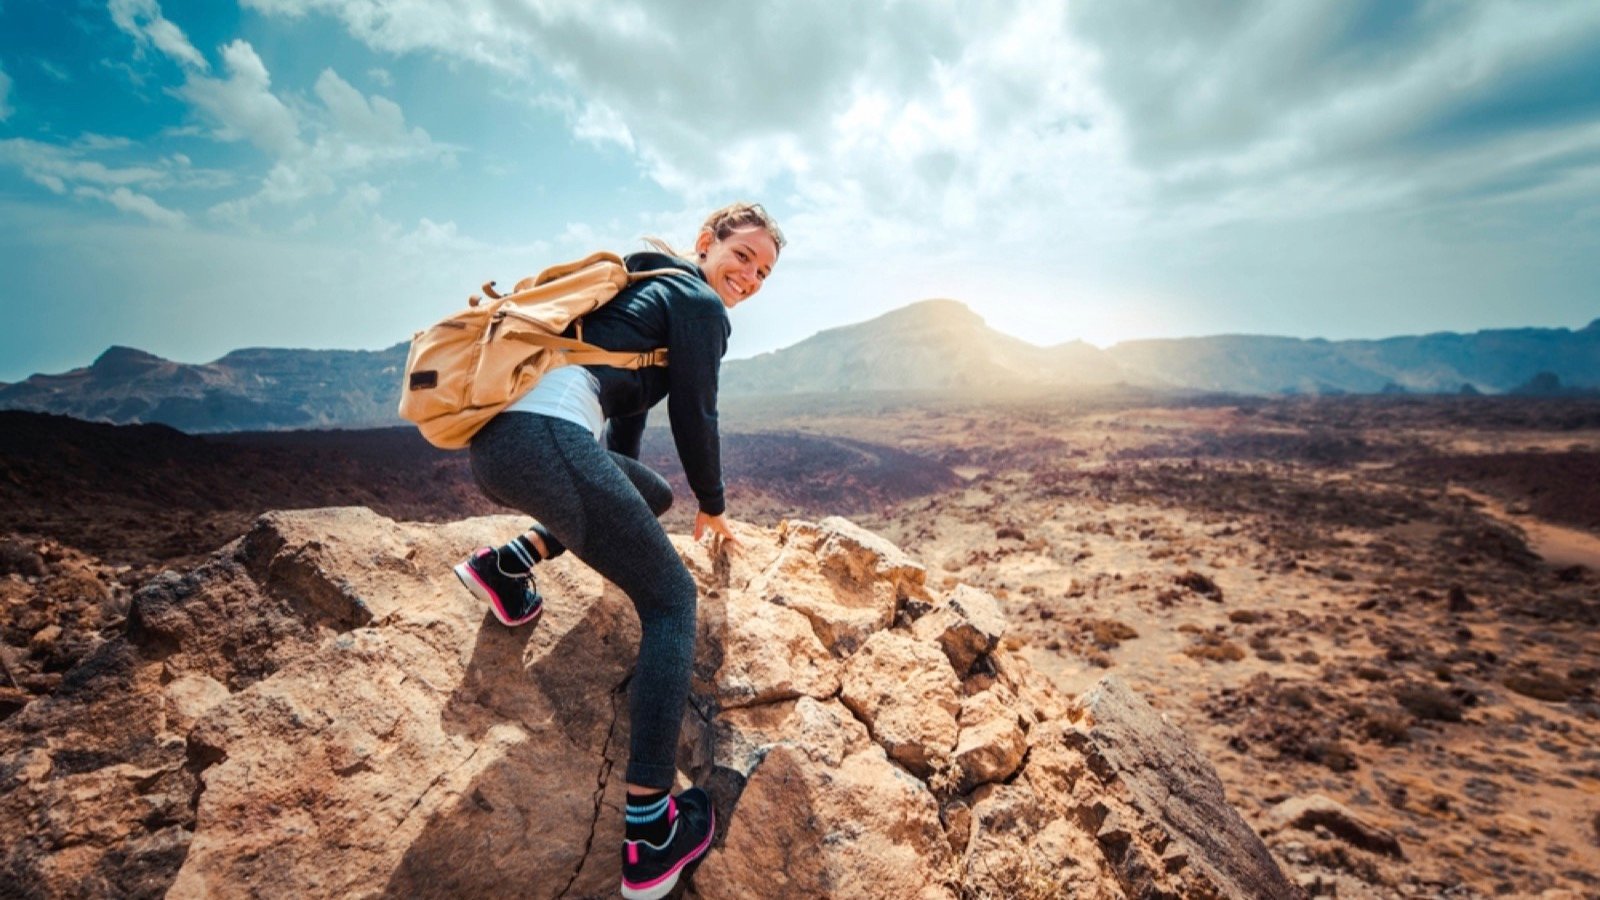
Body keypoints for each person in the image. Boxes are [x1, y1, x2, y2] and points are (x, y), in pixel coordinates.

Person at [451, 202, 783, 900]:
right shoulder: (696, 300)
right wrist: (714, 504)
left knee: (649, 495)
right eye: (743, 256)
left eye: (763, 270)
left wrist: (630, 505)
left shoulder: (646, 290)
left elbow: (625, 426)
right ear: (706, 243)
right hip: (543, 438)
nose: (749, 275)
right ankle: (651, 834)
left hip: (502, 445)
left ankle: (504, 566)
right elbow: (698, 410)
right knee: (671, 602)